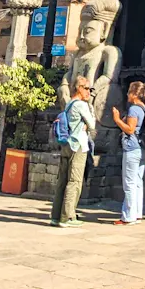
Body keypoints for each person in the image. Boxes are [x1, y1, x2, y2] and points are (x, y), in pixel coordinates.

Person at [51, 75, 95, 228]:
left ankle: (55, 216)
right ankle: (67, 216)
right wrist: (90, 109)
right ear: (79, 88)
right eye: (87, 89)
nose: (89, 92)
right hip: (78, 145)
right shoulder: (81, 105)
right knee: (74, 181)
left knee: (62, 181)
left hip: (66, 144)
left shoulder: (69, 103)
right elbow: (93, 123)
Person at [112, 81, 145, 226]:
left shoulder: (134, 109)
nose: (127, 94)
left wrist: (117, 119)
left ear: (135, 94)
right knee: (138, 182)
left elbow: (129, 129)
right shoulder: (144, 108)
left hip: (132, 148)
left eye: (129, 92)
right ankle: (137, 213)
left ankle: (128, 216)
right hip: (142, 148)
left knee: (129, 183)